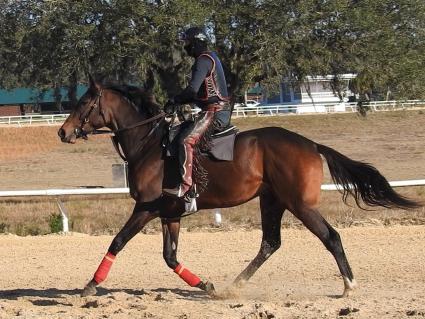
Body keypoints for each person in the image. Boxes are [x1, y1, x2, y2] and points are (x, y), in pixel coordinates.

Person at [163, 26, 232, 198]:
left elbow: (192, 90)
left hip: (215, 112)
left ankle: (186, 186)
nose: (185, 46)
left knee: (186, 140)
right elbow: (200, 95)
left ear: (194, 43)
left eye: (187, 42)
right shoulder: (211, 57)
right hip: (214, 109)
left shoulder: (202, 60)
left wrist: (175, 100)